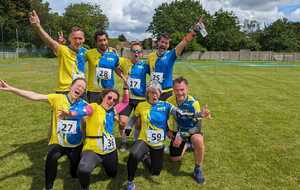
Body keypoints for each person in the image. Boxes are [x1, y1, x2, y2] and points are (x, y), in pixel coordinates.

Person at [0, 78, 89, 190]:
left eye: (83, 88)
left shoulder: (84, 105)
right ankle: (49, 187)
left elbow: (89, 122)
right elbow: (34, 96)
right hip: (59, 144)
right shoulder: (57, 98)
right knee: (51, 159)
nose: (80, 88)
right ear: (71, 86)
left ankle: (74, 170)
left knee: (74, 173)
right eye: (78, 85)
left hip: (76, 146)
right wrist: (11, 88)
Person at [125, 80, 198, 190]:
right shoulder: (141, 105)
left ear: (160, 93)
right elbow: (133, 118)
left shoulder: (166, 105)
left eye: (157, 93)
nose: (154, 95)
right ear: (148, 93)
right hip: (144, 140)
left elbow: (181, 114)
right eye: (152, 92)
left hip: (158, 144)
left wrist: (198, 114)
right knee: (133, 155)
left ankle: (145, 158)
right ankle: (130, 182)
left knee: (155, 172)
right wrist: (128, 128)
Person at [77, 87, 129, 190]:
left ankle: (104, 163)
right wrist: (71, 113)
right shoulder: (94, 107)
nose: (111, 101)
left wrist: (126, 87)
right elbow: (84, 111)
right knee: (84, 169)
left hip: (110, 150)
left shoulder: (113, 111)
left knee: (112, 174)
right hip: (92, 150)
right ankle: (84, 187)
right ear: (103, 96)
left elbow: (125, 102)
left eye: (114, 100)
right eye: (109, 97)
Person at [148, 18, 207, 100]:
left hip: (166, 93)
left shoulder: (171, 54)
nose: (163, 45)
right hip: (153, 91)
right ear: (158, 42)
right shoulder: (150, 56)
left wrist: (194, 31)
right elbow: (149, 71)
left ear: (168, 45)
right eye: (162, 42)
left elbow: (184, 41)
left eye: (166, 43)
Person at [29, 10, 87, 93]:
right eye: (74, 38)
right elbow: (49, 41)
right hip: (66, 90)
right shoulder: (63, 50)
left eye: (80, 38)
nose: (77, 41)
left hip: (81, 89)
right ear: (69, 38)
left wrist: (109, 49)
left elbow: (98, 52)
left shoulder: (86, 52)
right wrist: (37, 26)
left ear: (84, 39)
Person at [166, 76, 211, 184]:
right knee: (174, 159)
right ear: (173, 89)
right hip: (178, 131)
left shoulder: (193, 103)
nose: (179, 92)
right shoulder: (169, 101)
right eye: (176, 90)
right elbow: (164, 118)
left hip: (192, 130)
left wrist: (182, 135)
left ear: (187, 89)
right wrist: (168, 130)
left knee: (198, 140)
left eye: (182, 89)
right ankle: (186, 145)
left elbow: (198, 126)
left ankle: (198, 169)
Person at [118, 41, 150, 151]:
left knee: (139, 124)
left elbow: (155, 74)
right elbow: (113, 65)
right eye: (134, 51)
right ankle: (124, 142)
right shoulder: (124, 62)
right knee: (122, 121)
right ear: (130, 52)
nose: (136, 54)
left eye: (138, 52)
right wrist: (122, 76)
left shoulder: (145, 66)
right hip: (127, 98)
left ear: (141, 54)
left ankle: (137, 142)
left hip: (141, 99)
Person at [85, 31, 126, 103]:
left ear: (107, 40)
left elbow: (116, 68)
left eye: (104, 40)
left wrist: (124, 78)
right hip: (94, 92)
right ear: (96, 42)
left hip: (109, 91)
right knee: (93, 113)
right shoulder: (89, 53)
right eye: (100, 41)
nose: (103, 43)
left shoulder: (113, 54)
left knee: (108, 113)